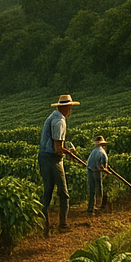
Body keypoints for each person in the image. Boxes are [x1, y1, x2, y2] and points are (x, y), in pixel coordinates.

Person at [39, 94, 85, 236]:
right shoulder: (59, 121)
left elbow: (58, 144)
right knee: (64, 193)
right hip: (52, 159)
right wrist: (68, 153)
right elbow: (57, 147)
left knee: (48, 190)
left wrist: (66, 150)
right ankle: (62, 225)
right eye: (70, 107)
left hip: (44, 156)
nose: (71, 109)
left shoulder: (53, 116)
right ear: (66, 108)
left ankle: (44, 226)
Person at [84, 135, 109, 221]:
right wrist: (106, 170)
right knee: (99, 189)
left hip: (90, 170)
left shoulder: (94, 151)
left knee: (92, 190)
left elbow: (89, 162)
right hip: (96, 172)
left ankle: (90, 208)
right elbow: (100, 165)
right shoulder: (103, 153)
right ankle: (99, 206)